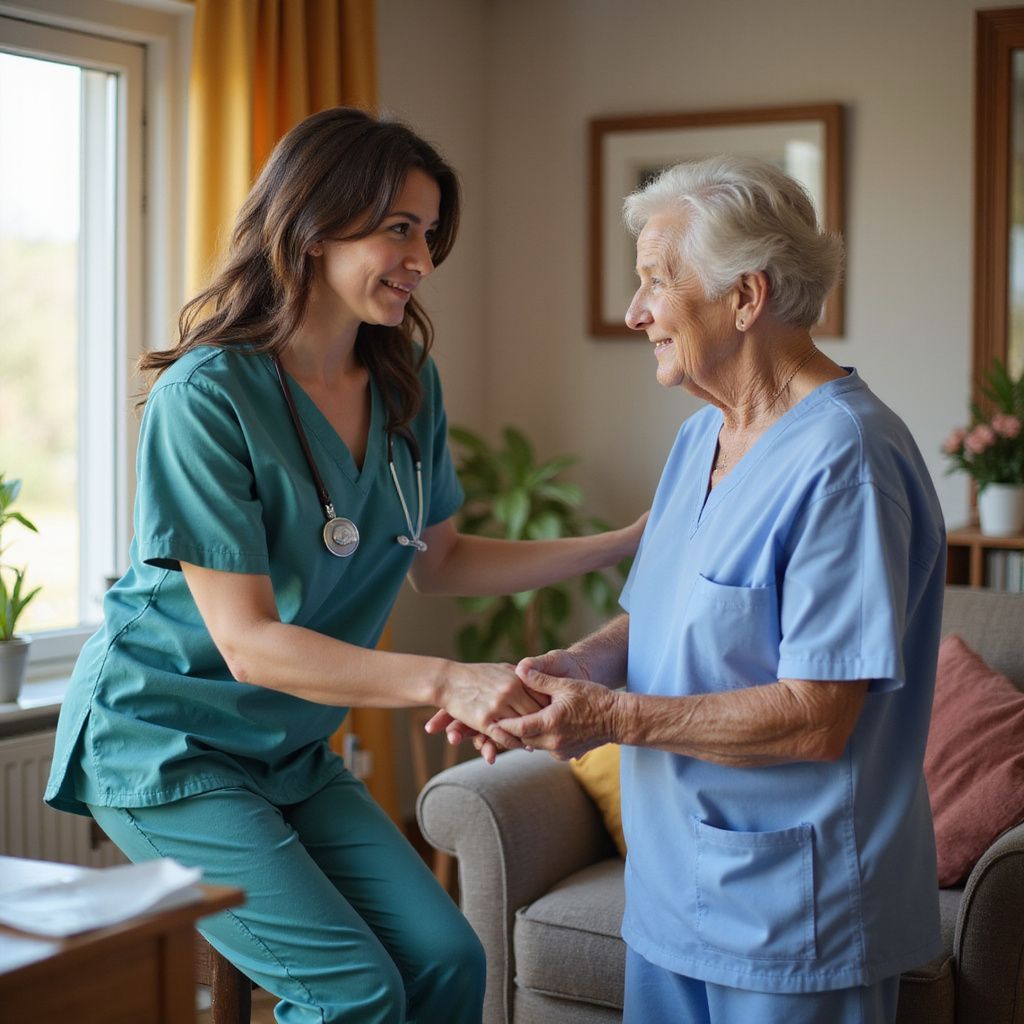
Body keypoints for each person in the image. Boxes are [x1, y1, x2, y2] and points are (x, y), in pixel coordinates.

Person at [44, 107, 643, 1024]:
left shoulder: (405, 383)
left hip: (287, 747)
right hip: (167, 739)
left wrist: (623, 542)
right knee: (352, 991)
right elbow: (247, 645)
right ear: (315, 222)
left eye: (430, 234)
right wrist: (449, 678)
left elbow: (438, 560)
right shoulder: (207, 396)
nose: (424, 259)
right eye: (399, 227)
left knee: (449, 959)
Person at [435, 155, 946, 1024]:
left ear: (745, 299)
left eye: (655, 284)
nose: (637, 313)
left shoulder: (849, 461)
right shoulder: (699, 439)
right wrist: (568, 672)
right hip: (671, 897)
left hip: (797, 918)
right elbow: (655, 622)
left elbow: (820, 715)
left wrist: (608, 718)